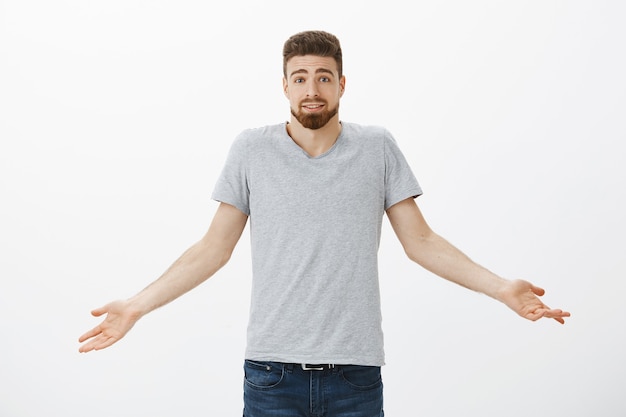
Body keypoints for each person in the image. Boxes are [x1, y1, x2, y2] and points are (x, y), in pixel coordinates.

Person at [78, 30, 570, 417]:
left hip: (355, 376)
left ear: (341, 83)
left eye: (323, 76)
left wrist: (502, 287)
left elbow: (420, 242)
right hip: (271, 375)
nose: (311, 89)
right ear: (284, 84)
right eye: (299, 77)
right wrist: (137, 307)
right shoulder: (251, 150)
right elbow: (213, 249)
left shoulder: (376, 147)